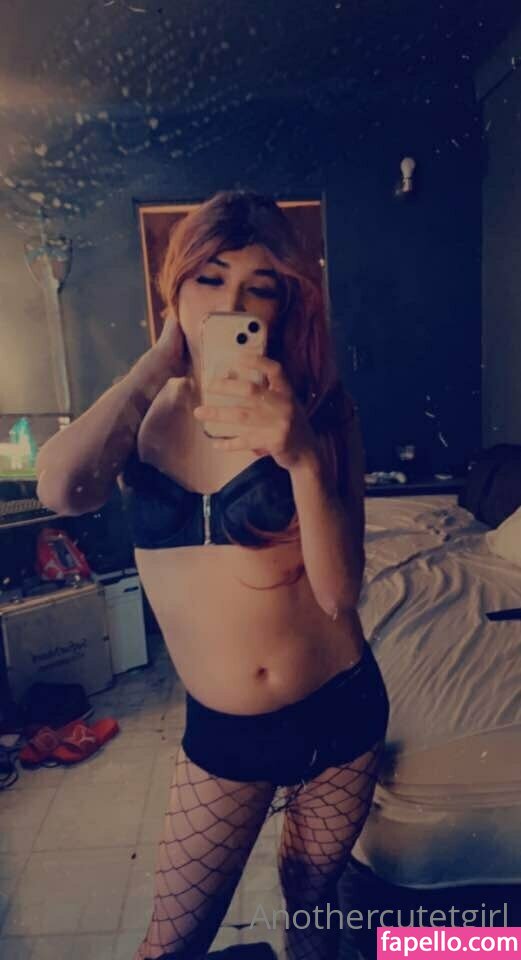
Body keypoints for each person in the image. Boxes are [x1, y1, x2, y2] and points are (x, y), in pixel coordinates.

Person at [36, 191, 389, 960]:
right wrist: (159, 361)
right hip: (226, 733)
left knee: (310, 905)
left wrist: (299, 456)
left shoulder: (322, 412)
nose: (230, 303)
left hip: (340, 706)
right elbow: (60, 489)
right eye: (209, 278)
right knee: (170, 945)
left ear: (282, 303)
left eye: (258, 287)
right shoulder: (141, 415)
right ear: (175, 286)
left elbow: (338, 594)